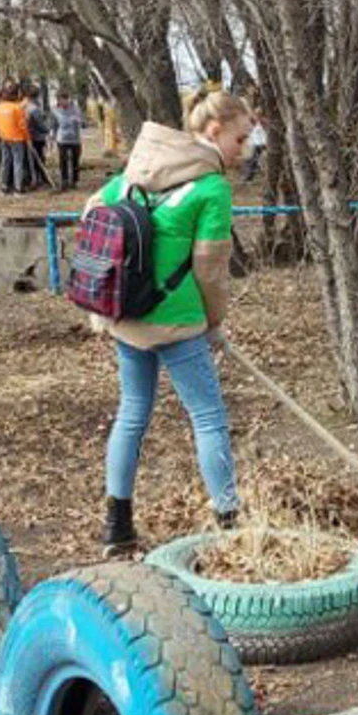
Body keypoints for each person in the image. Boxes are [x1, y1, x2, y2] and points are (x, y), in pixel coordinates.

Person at [89, 84, 253, 548]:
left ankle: (117, 527)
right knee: (208, 418)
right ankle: (230, 525)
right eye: (239, 140)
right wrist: (214, 322)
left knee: (133, 413)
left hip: (128, 316)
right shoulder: (212, 188)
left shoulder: (140, 170)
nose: (243, 151)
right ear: (214, 131)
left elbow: (92, 213)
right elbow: (209, 268)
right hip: (177, 321)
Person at [0, 83, 31, 195]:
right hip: (17, 139)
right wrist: (27, 138)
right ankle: (18, 189)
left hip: (4, 138)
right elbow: (22, 125)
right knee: (17, 163)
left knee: (5, 162)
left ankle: (3, 187)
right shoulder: (17, 108)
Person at [52, 93, 88, 191]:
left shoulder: (76, 109)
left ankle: (74, 181)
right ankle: (64, 180)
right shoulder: (55, 110)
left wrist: (79, 121)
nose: (63, 102)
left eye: (65, 99)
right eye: (60, 100)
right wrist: (52, 137)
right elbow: (54, 125)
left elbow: (84, 123)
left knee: (75, 160)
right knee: (62, 160)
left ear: (68, 99)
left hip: (75, 139)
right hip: (62, 139)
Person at [24, 85, 53, 189]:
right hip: (36, 137)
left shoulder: (23, 105)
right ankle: (40, 180)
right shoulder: (34, 109)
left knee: (31, 160)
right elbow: (41, 125)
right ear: (37, 96)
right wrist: (48, 127)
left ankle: (35, 180)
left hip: (26, 137)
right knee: (39, 160)